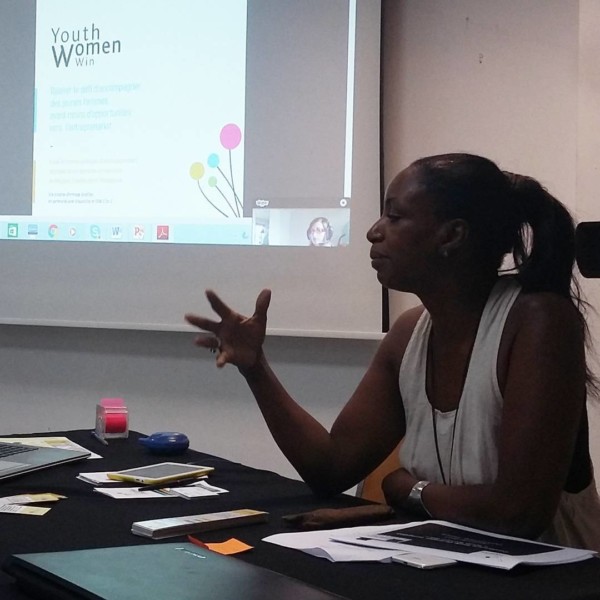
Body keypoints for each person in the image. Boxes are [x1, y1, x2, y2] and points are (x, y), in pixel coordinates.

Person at [185, 153, 600, 551]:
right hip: (447, 566)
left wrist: (409, 489)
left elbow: (518, 513)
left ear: (451, 235)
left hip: (553, 579)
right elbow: (330, 467)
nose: (373, 232)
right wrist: (256, 368)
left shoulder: (539, 320)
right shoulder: (408, 333)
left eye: (395, 217)